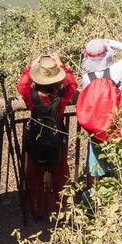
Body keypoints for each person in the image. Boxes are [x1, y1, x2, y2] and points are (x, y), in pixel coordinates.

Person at [17, 53, 78, 220]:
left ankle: (37, 209)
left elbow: (22, 85)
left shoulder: (31, 96)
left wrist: (30, 66)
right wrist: (61, 64)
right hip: (57, 138)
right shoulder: (62, 96)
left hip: (35, 140)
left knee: (34, 173)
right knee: (59, 173)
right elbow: (72, 83)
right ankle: (60, 207)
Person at [79, 37, 122, 185]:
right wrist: (111, 43)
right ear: (107, 54)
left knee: (95, 163)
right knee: (119, 160)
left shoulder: (86, 78)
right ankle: (121, 187)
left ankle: (95, 194)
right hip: (116, 126)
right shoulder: (116, 70)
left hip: (96, 129)